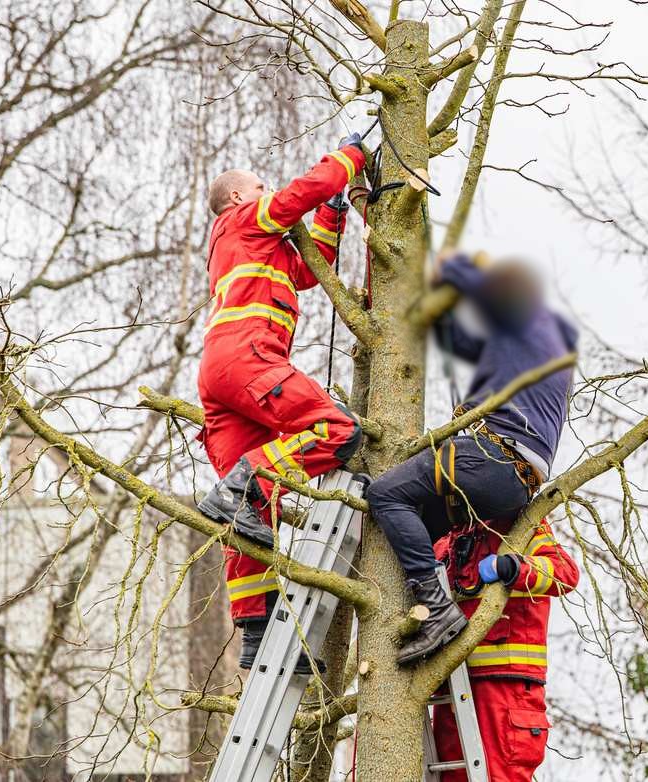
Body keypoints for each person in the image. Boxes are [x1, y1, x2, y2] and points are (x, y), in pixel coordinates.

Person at [196, 135, 366, 668]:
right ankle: (242, 482)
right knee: (340, 432)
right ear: (235, 199)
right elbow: (301, 192)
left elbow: (310, 271)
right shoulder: (244, 219)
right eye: (257, 186)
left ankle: (254, 632)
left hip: (223, 379)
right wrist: (350, 160)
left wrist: (333, 216)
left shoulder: (254, 246)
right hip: (248, 358)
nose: (266, 191)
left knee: (251, 514)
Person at [366, 252, 578, 665]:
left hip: (494, 456)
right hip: (511, 478)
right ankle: (427, 610)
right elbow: (462, 341)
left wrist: (444, 266)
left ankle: (439, 611)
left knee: (386, 494)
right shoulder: (533, 346)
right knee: (418, 528)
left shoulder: (530, 322)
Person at [430, 517, 579, 782]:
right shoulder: (449, 540)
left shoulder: (522, 525)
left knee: (500, 776)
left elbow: (565, 573)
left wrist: (512, 567)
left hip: (507, 690)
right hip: (453, 685)